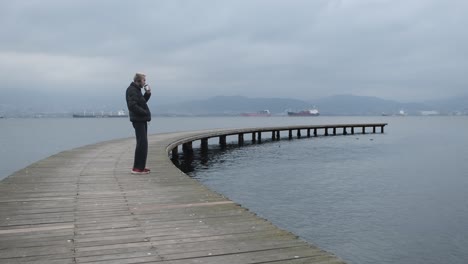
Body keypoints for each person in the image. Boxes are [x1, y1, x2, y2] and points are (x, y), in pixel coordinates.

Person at [126, 73, 152, 174]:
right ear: (138, 80)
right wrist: (145, 112)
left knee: (143, 143)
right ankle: (137, 168)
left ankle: (140, 167)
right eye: (144, 80)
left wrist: (147, 94)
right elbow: (132, 106)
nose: (145, 82)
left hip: (141, 119)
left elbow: (142, 103)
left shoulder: (137, 90)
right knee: (142, 143)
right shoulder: (132, 90)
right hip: (138, 120)